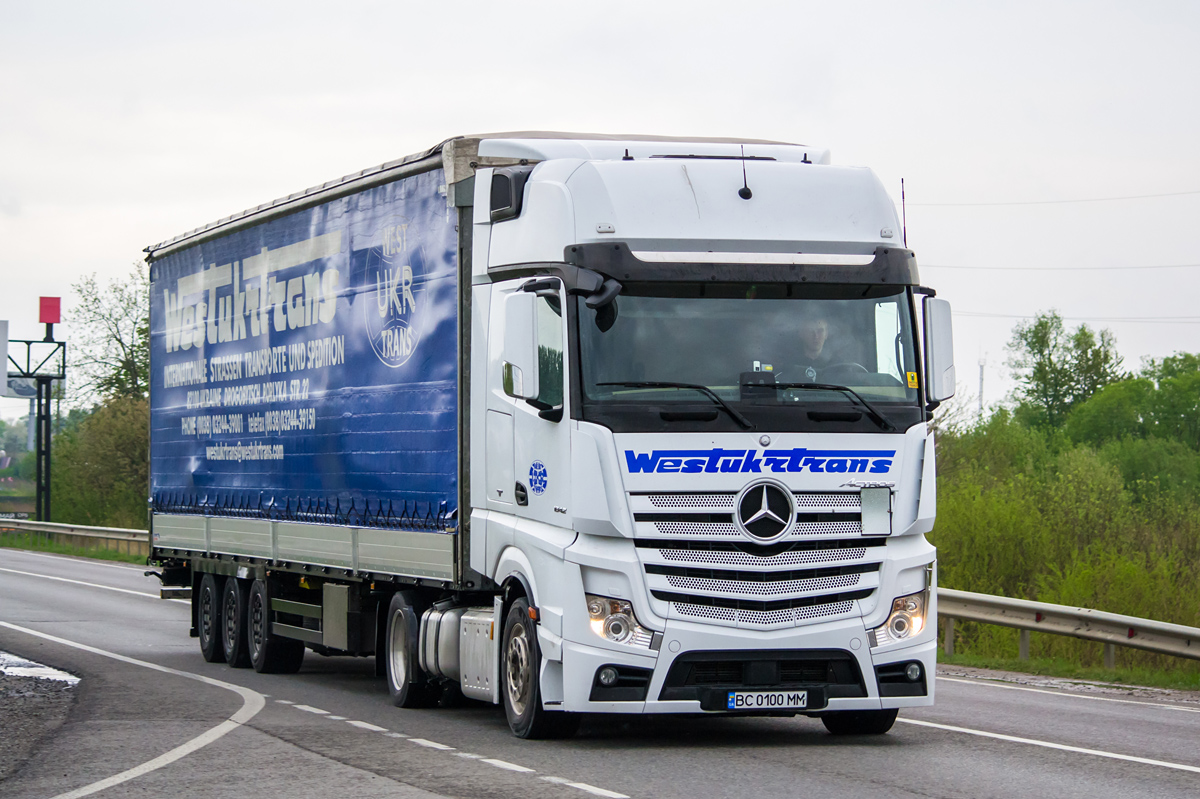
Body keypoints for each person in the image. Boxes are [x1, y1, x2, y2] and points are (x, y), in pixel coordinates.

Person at [790, 315, 833, 382]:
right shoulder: (790, 365)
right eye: (810, 331)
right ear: (801, 334)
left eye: (820, 331)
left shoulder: (835, 364)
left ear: (826, 334)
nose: (816, 336)